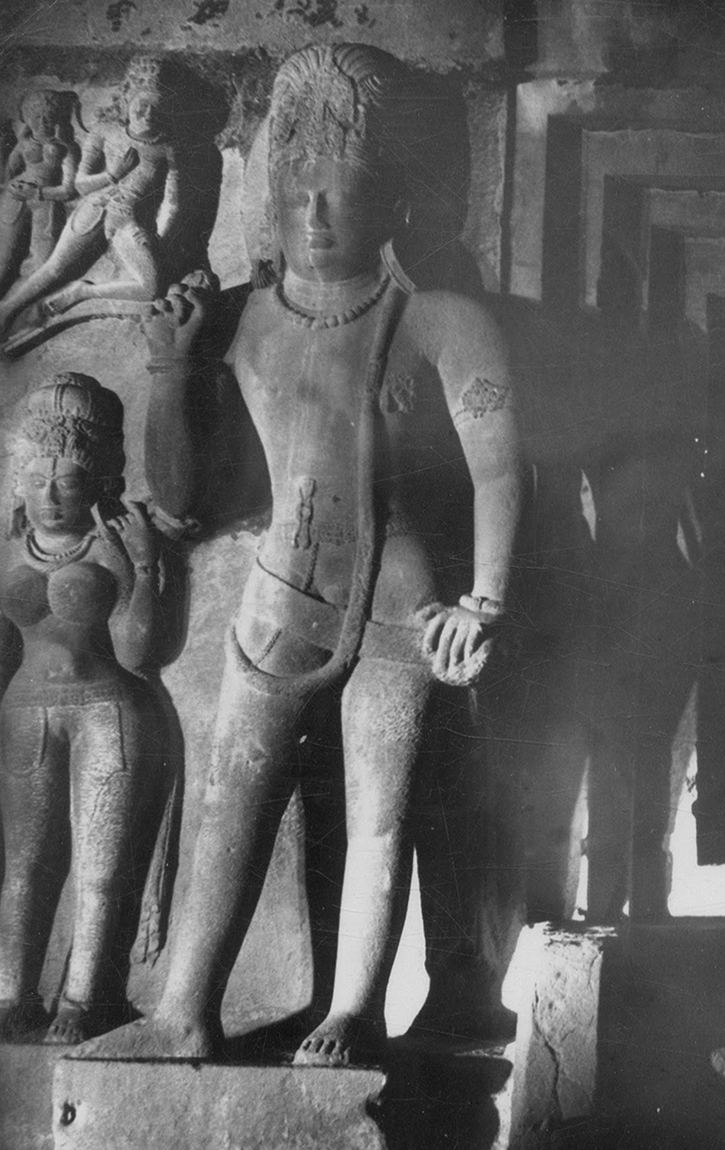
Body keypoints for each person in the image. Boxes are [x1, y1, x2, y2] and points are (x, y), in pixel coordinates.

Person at [79, 43, 522, 1068]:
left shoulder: (443, 323)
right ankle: (185, 1006)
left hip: (403, 605)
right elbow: (185, 500)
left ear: (395, 202)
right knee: (230, 799)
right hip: (280, 592)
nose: (313, 211)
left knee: (380, 813)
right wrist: (172, 372)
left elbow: (503, 470)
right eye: (295, 187)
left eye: (340, 188)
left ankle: (355, 1009)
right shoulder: (243, 322)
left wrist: (486, 603)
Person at [0, 373, 166, 1045]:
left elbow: (138, 650)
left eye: (66, 482)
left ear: (98, 483)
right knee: (23, 866)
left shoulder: (113, 545)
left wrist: (146, 567)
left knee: (99, 867)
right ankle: (12, 994)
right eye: (36, 479)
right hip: (24, 713)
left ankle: (84, 997)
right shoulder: (10, 547)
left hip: (108, 712)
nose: (48, 495)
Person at [0, 58, 182, 337]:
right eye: (142, 106)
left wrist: (159, 235)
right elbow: (81, 184)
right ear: (127, 103)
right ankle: (6, 310)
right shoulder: (105, 132)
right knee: (54, 269)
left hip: (128, 223)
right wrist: (112, 175)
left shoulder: (167, 149)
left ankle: (82, 292)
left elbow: (173, 201)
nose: (147, 114)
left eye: (156, 108)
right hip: (94, 209)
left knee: (151, 288)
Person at [0, 90, 80, 298]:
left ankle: (14, 307)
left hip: (48, 201)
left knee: (41, 264)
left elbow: (69, 190)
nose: (43, 122)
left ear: (58, 118)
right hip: (16, 196)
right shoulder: (24, 143)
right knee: (4, 256)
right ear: (27, 118)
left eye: (49, 117)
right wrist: (10, 188)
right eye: (36, 117)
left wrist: (37, 192)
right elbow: (9, 171)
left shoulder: (68, 149)